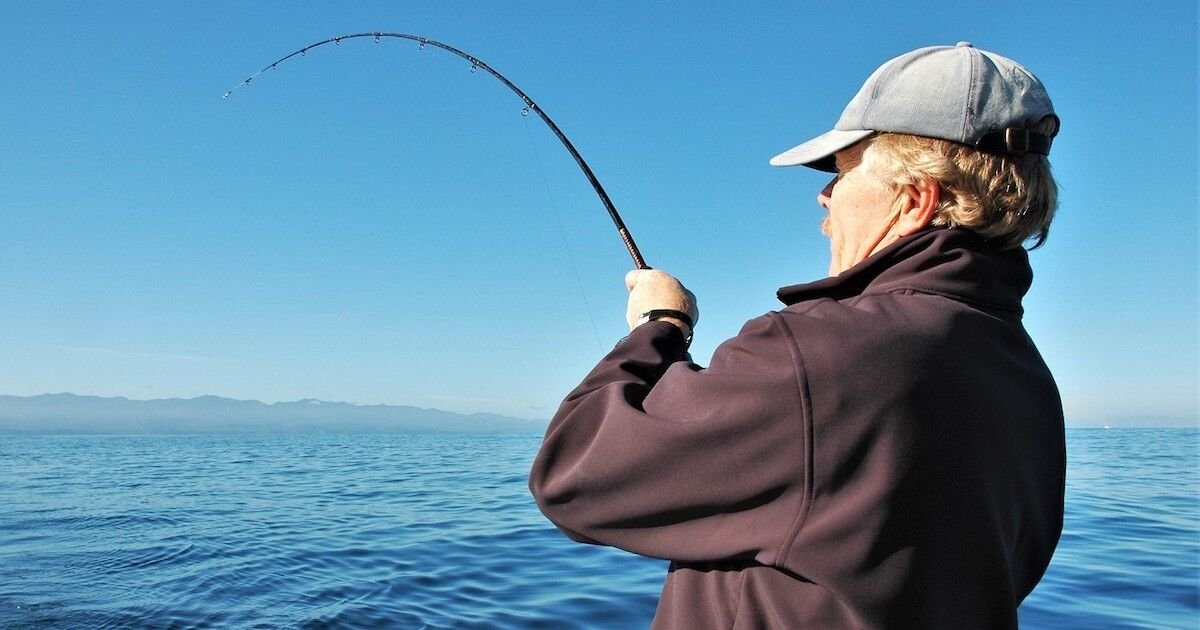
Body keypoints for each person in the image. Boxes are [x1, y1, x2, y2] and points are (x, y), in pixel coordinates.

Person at [529, 42, 1065, 628]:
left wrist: (661, 327)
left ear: (914, 199)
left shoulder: (820, 355)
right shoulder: (1027, 379)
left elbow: (573, 475)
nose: (825, 195)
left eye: (842, 172)